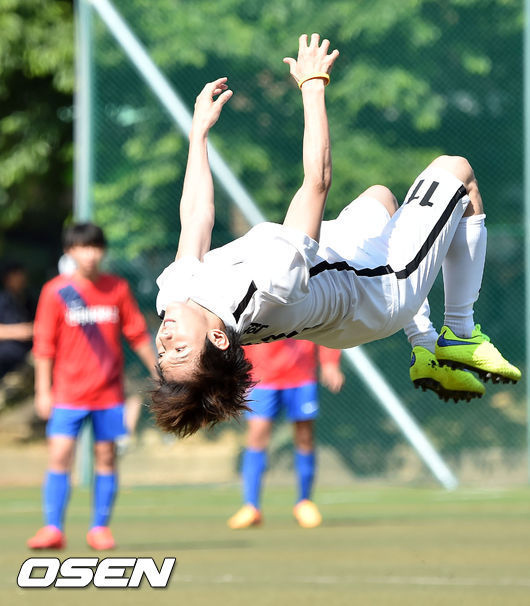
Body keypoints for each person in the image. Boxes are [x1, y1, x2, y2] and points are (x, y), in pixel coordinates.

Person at [151, 33, 520, 439]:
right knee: (458, 172)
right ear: (219, 338)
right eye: (180, 349)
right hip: (382, 293)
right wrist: (313, 86)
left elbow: (196, 217)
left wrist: (198, 133)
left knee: (381, 198)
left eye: (163, 351)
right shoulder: (270, 281)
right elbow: (317, 181)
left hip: (339, 299)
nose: (166, 338)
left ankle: (424, 344)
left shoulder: (177, 296)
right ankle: (461, 333)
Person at [27, 222, 157, 551]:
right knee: (59, 456)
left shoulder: (117, 289)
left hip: (108, 394)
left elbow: (137, 333)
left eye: (96, 247)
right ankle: (53, 529)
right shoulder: (55, 292)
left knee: (106, 457)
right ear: (70, 251)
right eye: (83, 247)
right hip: (68, 394)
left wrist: (159, 369)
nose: (90, 254)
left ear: (103, 251)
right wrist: (43, 390)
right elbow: (44, 346)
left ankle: (99, 528)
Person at [228, 340, 344, 530]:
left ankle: (304, 503)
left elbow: (327, 326)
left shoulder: (307, 308)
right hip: (261, 377)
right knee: (256, 437)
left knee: (305, 438)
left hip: (301, 376)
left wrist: (330, 362)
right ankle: (251, 507)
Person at [0, 261, 34, 379]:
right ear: (7, 278)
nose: (21, 279)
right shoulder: (2, 300)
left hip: (27, 358)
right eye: (16, 275)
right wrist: (22, 331)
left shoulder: (28, 300)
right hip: (6, 361)